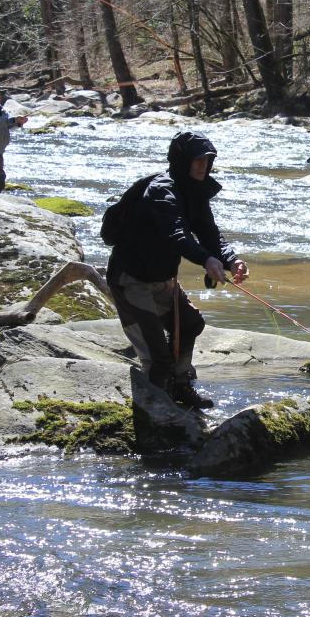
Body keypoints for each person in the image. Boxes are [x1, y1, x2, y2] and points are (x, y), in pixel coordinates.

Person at [106, 131, 249, 410]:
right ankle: (155, 418)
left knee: (191, 324)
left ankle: (181, 387)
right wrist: (207, 260)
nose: (203, 167)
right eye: (197, 160)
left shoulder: (196, 191)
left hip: (162, 279)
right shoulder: (162, 190)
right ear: (181, 160)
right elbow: (178, 235)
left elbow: (209, 233)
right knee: (158, 359)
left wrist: (231, 260)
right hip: (130, 280)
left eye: (208, 161)